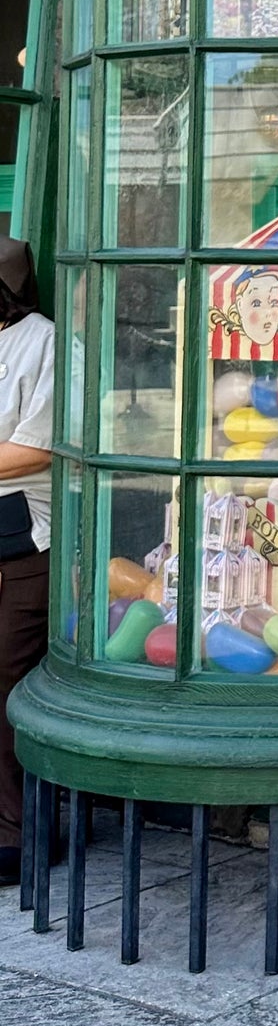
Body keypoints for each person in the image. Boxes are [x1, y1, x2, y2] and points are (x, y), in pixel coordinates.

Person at [0, 239, 56, 886]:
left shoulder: (40, 341)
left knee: (6, 685)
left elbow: (34, 450)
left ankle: (22, 834)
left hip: (23, 546)